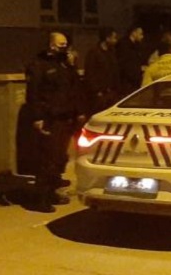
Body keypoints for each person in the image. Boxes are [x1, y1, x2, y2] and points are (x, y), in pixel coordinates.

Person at [23, 31, 87, 213]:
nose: (65, 47)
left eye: (66, 44)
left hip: (65, 118)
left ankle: (52, 192)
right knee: (47, 160)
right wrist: (38, 117)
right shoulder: (39, 65)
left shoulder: (64, 65)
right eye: (61, 44)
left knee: (59, 159)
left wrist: (72, 66)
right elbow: (33, 93)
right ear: (51, 45)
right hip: (50, 119)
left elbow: (74, 88)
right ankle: (40, 198)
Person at [84, 27, 120, 115]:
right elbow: (90, 73)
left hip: (111, 91)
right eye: (114, 38)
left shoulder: (112, 52)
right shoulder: (94, 52)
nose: (115, 40)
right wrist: (97, 91)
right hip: (100, 93)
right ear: (107, 38)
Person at [116, 25, 147, 97]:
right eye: (140, 34)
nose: (142, 36)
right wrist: (138, 69)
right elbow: (124, 64)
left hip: (134, 80)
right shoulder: (123, 45)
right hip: (126, 81)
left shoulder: (136, 45)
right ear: (133, 33)